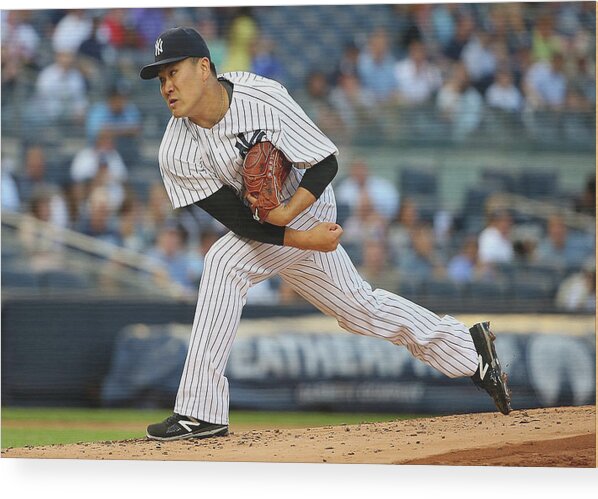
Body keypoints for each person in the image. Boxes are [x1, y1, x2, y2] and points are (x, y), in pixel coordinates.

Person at [139, 27, 511, 441]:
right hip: (275, 230)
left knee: (224, 263)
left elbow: (324, 164)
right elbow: (242, 224)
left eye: (173, 72)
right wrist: (299, 237)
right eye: (161, 80)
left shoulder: (261, 98)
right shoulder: (175, 151)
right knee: (359, 310)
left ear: (204, 67)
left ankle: (199, 411)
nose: (167, 86)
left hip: (310, 204)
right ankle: (468, 349)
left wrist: (292, 215)